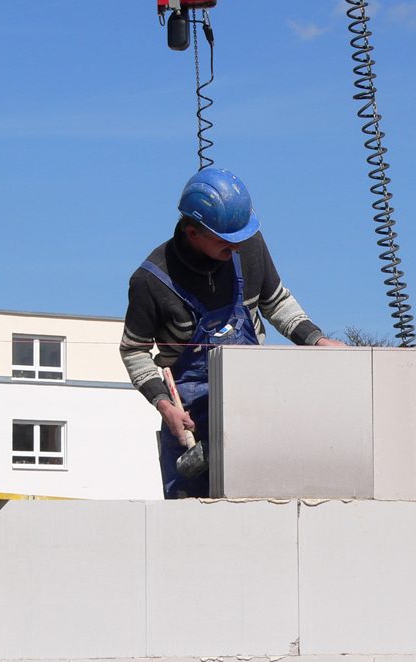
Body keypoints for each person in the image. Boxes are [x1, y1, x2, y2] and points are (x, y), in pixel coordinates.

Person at [120, 167, 342, 498]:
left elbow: (276, 302)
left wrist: (317, 339)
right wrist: (164, 405)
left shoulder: (248, 245)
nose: (237, 247)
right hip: (192, 422)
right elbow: (133, 350)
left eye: (241, 238)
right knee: (191, 525)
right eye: (227, 241)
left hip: (250, 409)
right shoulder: (151, 281)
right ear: (194, 232)